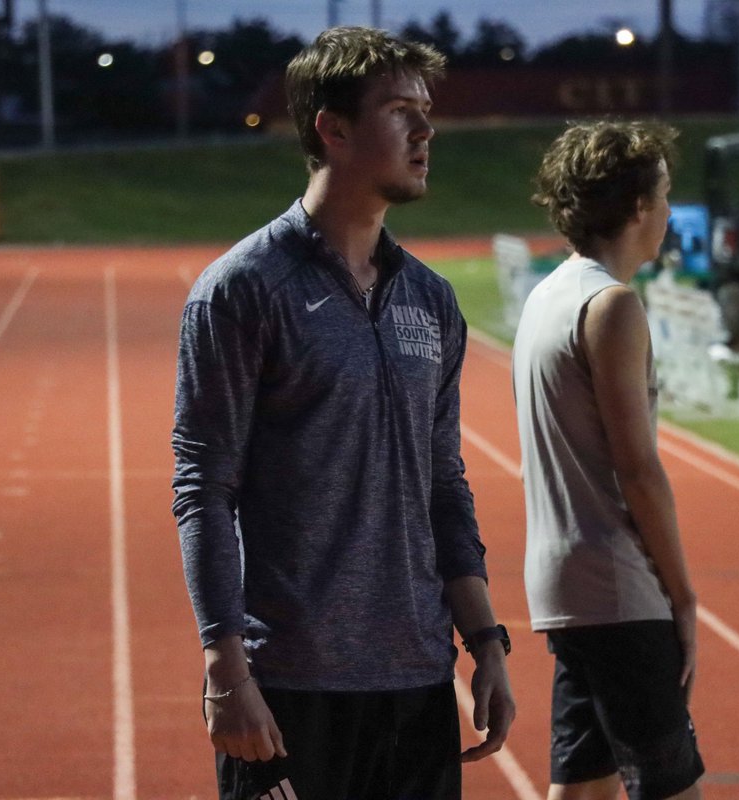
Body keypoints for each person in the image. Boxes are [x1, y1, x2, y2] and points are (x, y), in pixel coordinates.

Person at [171, 26, 515, 800]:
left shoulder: (431, 299)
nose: (425, 131)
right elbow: (204, 489)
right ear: (333, 129)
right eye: (399, 110)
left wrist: (485, 640)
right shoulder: (242, 290)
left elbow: (443, 482)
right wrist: (225, 668)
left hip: (417, 682)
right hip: (292, 687)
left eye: (426, 111)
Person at [512, 120, 705, 800]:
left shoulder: (547, 295)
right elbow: (638, 469)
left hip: (564, 581)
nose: (670, 211)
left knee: (583, 785)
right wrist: (683, 595)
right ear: (638, 206)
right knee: (670, 786)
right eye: (665, 194)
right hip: (618, 584)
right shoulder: (612, 305)